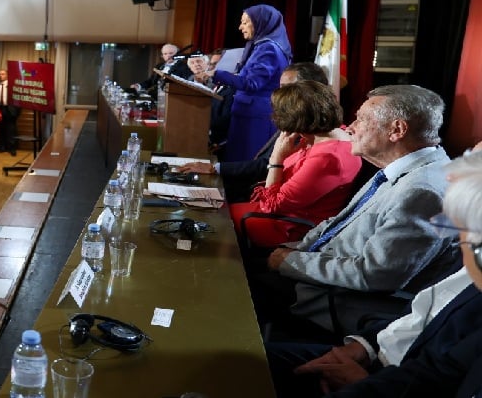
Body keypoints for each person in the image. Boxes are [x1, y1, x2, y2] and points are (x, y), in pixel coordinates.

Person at [266, 153, 482, 397]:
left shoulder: (424, 189)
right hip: (374, 352)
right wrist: (364, 346)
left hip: (382, 368)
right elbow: (420, 312)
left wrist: (368, 384)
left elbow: (443, 372)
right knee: (250, 360)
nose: (352, 127)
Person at [258, 85, 458, 335]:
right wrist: (294, 250)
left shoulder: (423, 191)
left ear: (396, 130)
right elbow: (337, 224)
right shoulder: (402, 169)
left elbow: (376, 275)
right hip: (318, 270)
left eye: (362, 119)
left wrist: (292, 261)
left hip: (336, 299)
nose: (350, 127)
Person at [229, 81, 363, 247]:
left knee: (219, 221)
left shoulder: (328, 158)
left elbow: (272, 206)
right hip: (279, 212)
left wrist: (276, 159)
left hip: (290, 227)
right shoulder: (327, 134)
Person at [178, 64, 330, 203]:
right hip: (253, 189)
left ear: (309, 90)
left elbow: (265, 166)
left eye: (286, 87)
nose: (278, 94)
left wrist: (215, 168)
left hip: (261, 198)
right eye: (279, 87)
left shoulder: (307, 128)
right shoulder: (295, 119)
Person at [201, 4, 292, 161]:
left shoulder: (268, 49)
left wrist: (217, 74)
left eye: (245, 22)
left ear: (260, 22)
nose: (240, 27)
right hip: (249, 114)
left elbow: (253, 83)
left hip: (256, 117)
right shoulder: (261, 46)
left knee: (246, 162)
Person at [0, 69, 19, 155]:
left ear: (7, 75)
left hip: (10, 109)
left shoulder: (12, 86)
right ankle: (2, 147)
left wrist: (16, 111)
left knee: (11, 129)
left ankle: (12, 148)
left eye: (2, 74)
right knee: (1, 128)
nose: (0, 76)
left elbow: (18, 99)